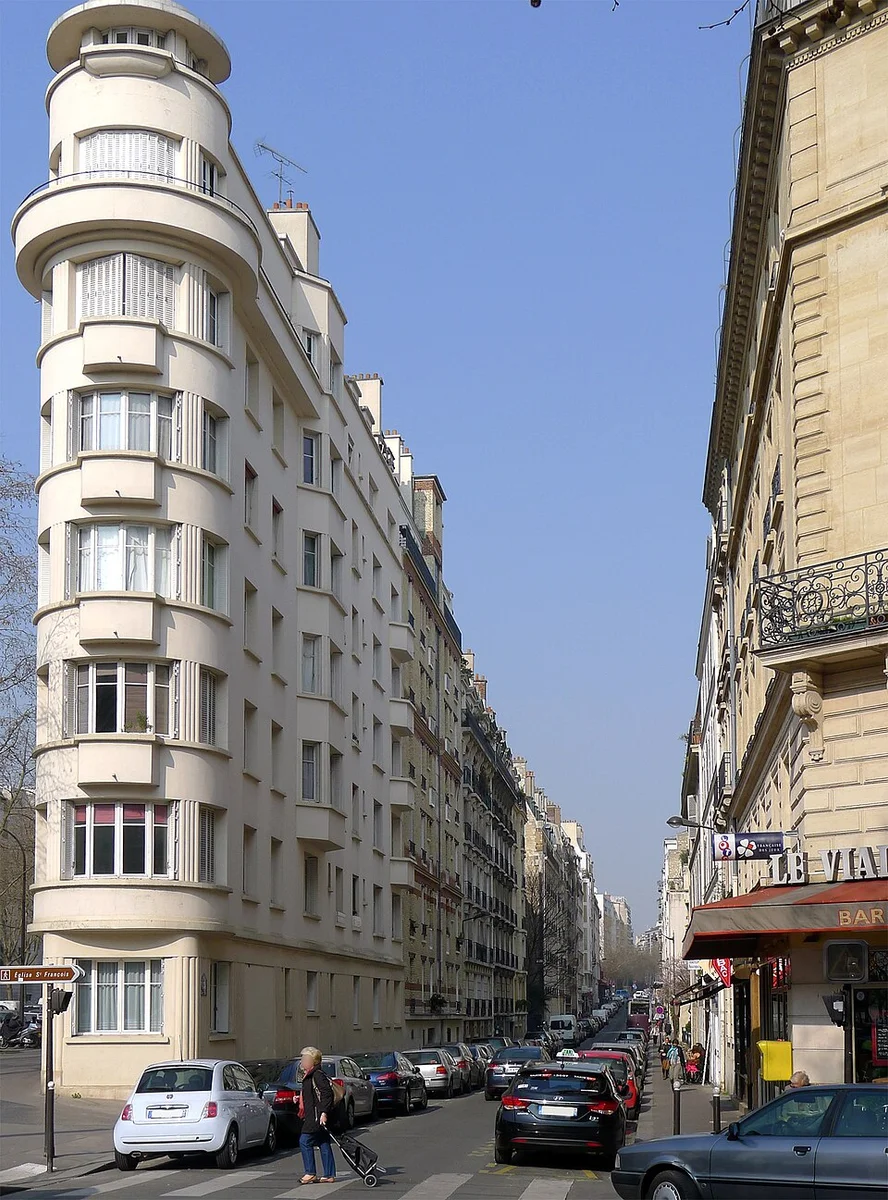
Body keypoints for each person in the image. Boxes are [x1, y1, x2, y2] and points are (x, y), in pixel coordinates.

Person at [298, 1046, 336, 1185]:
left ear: (312, 1061)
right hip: (314, 1114)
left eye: (304, 1058)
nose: (302, 1061)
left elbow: (327, 1094)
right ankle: (329, 1174)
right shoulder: (309, 1074)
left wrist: (324, 1113)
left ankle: (310, 1173)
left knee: (304, 1141)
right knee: (323, 1142)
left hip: (316, 1116)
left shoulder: (317, 1075)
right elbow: (312, 1095)